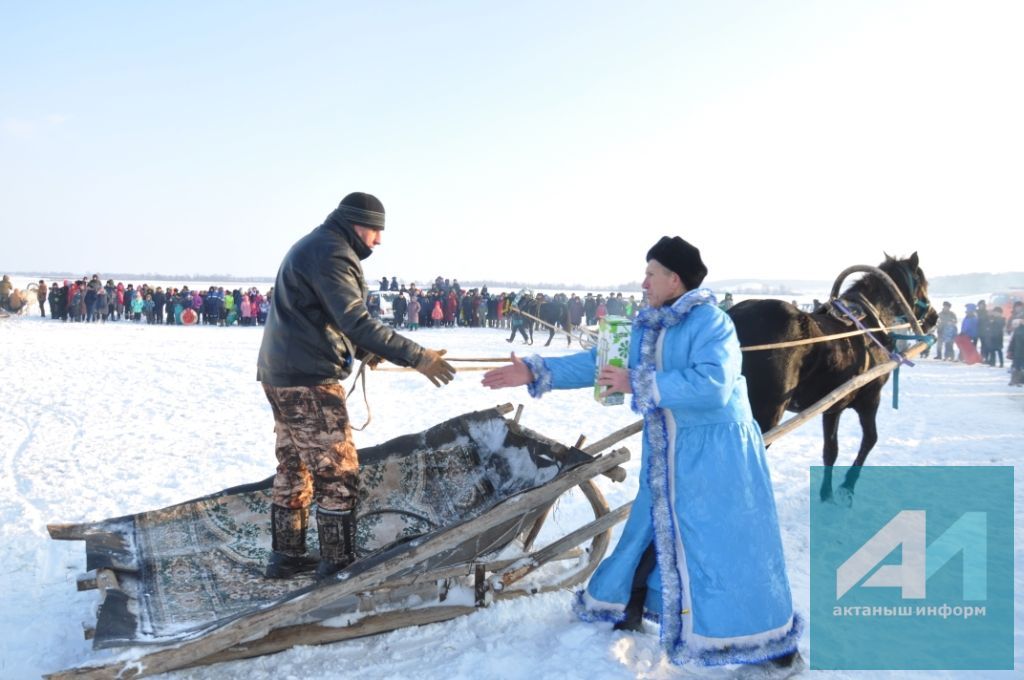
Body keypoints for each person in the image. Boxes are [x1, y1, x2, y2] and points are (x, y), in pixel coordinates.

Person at [481, 236, 801, 670]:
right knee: (652, 526)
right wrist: (535, 370)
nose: (643, 281)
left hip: (719, 455)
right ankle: (629, 606)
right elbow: (599, 363)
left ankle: (771, 645)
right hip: (668, 451)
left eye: (651, 273)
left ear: (675, 278)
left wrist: (640, 382)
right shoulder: (647, 325)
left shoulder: (712, 323)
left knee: (728, 546)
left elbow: (714, 384)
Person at [256, 191, 457, 580]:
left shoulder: (318, 245)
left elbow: (323, 317)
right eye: (375, 231)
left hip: (283, 372)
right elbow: (355, 319)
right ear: (355, 222)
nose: (378, 241)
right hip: (309, 380)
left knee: (294, 465)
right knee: (337, 472)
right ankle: (337, 566)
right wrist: (418, 356)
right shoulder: (331, 252)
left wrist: (364, 351)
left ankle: (286, 557)